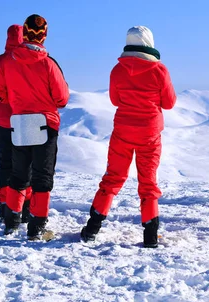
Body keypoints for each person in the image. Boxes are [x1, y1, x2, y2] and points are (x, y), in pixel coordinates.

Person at [80, 26, 176, 248]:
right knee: (148, 182)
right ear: (149, 43)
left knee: (113, 177)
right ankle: (150, 236)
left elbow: (115, 100)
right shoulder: (159, 70)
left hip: (122, 131)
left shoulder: (117, 70)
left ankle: (92, 229)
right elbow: (169, 103)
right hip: (149, 133)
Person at [0, 14, 69, 240]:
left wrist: (14, 97)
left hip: (20, 123)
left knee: (18, 174)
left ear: (25, 33)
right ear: (44, 36)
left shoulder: (8, 63)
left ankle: (11, 221)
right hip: (45, 123)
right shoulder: (48, 64)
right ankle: (37, 226)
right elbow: (62, 99)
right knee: (42, 177)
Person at [0, 25, 32, 223]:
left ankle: (5, 207)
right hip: (26, 120)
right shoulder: (30, 61)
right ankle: (26, 207)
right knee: (26, 165)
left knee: (5, 165)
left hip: (2, 121)